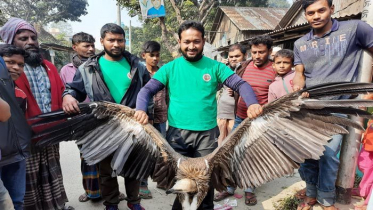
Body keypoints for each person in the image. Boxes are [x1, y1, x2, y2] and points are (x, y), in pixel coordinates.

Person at [135, 20, 262, 210]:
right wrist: (140, 109)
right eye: (187, 42)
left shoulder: (216, 67)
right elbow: (146, 91)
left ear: (203, 41)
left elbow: (241, 84)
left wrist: (252, 103)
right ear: (179, 41)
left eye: (196, 41)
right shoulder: (170, 68)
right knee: (183, 181)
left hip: (207, 135)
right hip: (178, 134)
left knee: (205, 180)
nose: (191, 46)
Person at [292, 0, 373, 209]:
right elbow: (299, 74)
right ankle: (311, 193)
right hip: (308, 107)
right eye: (311, 13)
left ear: (332, 9)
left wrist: (369, 89)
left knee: (328, 153)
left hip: (339, 107)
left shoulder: (355, 29)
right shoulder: (300, 43)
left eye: (321, 10)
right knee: (307, 153)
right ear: (305, 15)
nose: (316, 16)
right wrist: (298, 89)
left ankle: (326, 199)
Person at [62, 23, 149, 210]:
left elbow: (148, 91)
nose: (116, 44)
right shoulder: (88, 67)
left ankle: (134, 202)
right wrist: (68, 96)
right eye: (111, 40)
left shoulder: (138, 66)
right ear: (102, 41)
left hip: (132, 127)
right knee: (106, 170)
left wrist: (145, 110)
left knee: (132, 167)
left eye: (120, 40)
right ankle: (111, 203)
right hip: (102, 127)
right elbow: (73, 89)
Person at [0, 17, 72, 210]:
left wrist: (67, 96)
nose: (30, 42)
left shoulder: (48, 66)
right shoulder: (8, 69)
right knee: (27, 181)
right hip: (22, 138)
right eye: (23, 38)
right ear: (9, 41)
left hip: (50, 134)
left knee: (51, 174)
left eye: (33, 37)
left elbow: (62, 88)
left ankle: (56, 206)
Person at [59, 32, 122, 203]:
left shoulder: (101, 65)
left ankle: (112, 192)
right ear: (75, 47)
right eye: (86, 45)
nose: (91, 49)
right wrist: (68, 96)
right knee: (88, 157)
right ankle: (91, 191)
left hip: (103, 120)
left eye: (92, 45)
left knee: (109, 158)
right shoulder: (67, 70)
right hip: (82, 121)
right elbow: (66, 92)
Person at [214, 35, 276, 206]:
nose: (257, 56)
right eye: (254, 52)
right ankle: (229, 187)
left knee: (253, 156)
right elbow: (235, 84)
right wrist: (231, 92)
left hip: (261, 121)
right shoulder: (244, 66)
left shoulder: (275, 69)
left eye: (261, 52)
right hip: (240, 116)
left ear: (269, 51)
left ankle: (249, 189)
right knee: (232, 152)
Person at [139, 40, 168, 198]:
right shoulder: (139, 73)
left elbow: (168, 95)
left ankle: (161, 179)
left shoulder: (163, 72)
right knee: (145, 151)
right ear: (144, 55)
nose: (155, 58)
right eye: (152, 55)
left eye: (157, 55)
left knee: (163, 151)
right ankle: (142, 183)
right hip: (144, 119)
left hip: (161, 117)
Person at [216, 44, 247, 145]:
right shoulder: (225, 69)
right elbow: (216, 87)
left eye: (237, 56)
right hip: (222, 111)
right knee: (220, 141)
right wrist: (218, 70)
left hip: (237, 114)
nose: (233, 59)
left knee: (233, 143)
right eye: (231, 57)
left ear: (245, 55)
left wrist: (236, 91)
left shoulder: (247, 69)